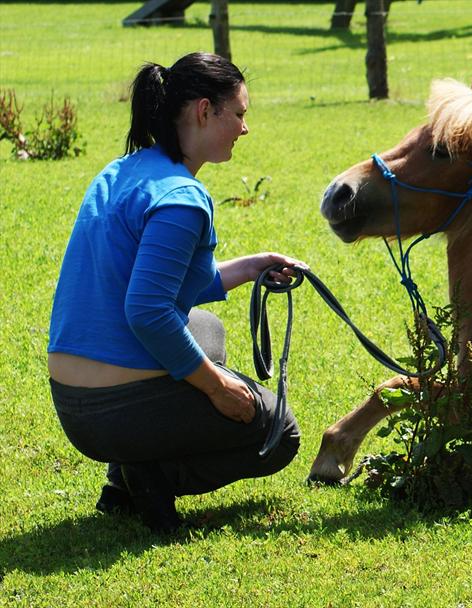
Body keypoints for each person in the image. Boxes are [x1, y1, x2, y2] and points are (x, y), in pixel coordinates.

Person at [47, 52, 302, 533]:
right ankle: (147, 476)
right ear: (205, 111)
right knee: (277, 432)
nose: (245, 128)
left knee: (205, 327)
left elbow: (166, 284)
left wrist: (252, 267)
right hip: (111, 411)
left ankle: (125, 477)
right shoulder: (182, 200)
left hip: (72, 396)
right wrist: (217, 386)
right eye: (240, 114)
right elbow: (147, 310)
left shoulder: (125, 172)